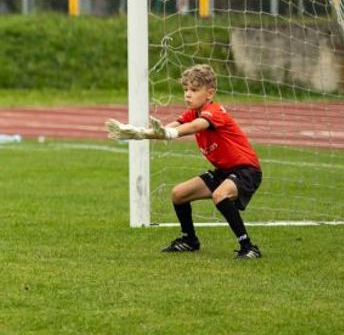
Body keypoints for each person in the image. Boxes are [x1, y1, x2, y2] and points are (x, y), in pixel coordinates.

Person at [106, 64, 263, 259]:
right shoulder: (192, 113)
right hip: (224, 171)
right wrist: (140, 133)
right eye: (186, 89)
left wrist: (169, 133)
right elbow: (167, 130)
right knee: (179, 194)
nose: (188, 94)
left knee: (220, 195)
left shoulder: (215, 111)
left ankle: (249, 247)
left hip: (246, 171)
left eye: (194, 90)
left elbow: (195, 126)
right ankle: (189, 240)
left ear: (210, 93)